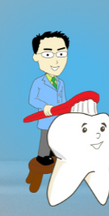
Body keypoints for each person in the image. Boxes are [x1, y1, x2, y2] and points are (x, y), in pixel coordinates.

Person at [26, 31, 71, 192]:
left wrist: (66, 111)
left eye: (61, 53)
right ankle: (43, 156)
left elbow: (63, 100)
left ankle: (55, 154)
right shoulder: (38, 82)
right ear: (36, 57)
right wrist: (44, 107)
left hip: (59, 119)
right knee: (45, 139)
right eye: (47, 54)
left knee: (56, 138)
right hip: (46, 119)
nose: (55, 60)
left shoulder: (61, 83)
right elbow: (32, 100)